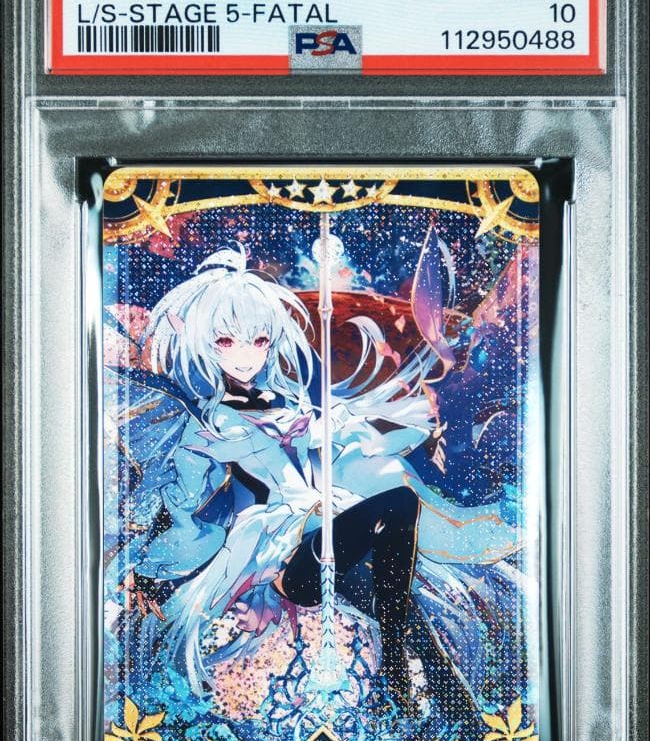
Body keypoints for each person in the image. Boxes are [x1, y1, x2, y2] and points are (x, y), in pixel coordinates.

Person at [109, 245, 522, 716]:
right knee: (398, 507)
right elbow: (185, 503)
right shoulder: (208, 424)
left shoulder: (284, 403)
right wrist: (155, 569)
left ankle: (445, 707)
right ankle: (396, 667)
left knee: (405, 609)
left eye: (258, 341)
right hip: (282, 555)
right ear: (201, 341)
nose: (245, 356)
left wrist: (355, 430)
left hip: (327, 527)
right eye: (226, 342)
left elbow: (339, 440)